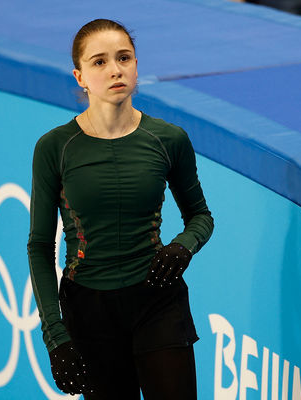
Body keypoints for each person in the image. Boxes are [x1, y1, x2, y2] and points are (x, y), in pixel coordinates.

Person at [27, 18, 214, 399]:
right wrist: (55, 336)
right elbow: (40, 247)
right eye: (100, 62)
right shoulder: (54, 147)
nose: (115, 69)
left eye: (124, 58)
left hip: (157, 300)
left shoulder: (169, 139)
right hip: (89, 311)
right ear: (80, 77)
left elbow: (201, 216)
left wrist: (184, 246)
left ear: (136, 66)